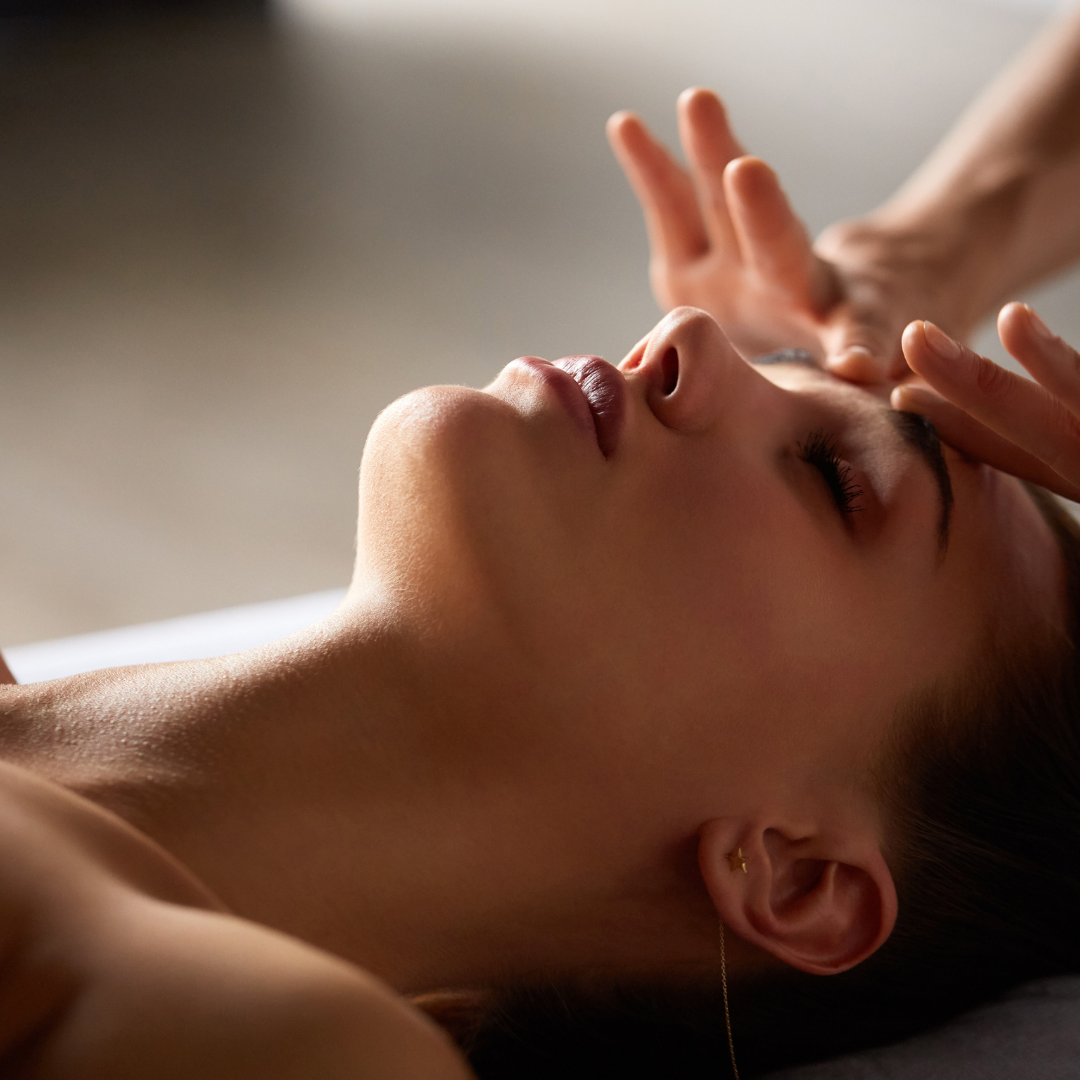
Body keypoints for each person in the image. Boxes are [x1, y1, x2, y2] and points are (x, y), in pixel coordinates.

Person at [3, 11, 1080, 1080]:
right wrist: (917, 250)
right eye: (788, 363)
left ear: (796, 878)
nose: (688, 337)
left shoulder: (282, 1048)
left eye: (829, 479)